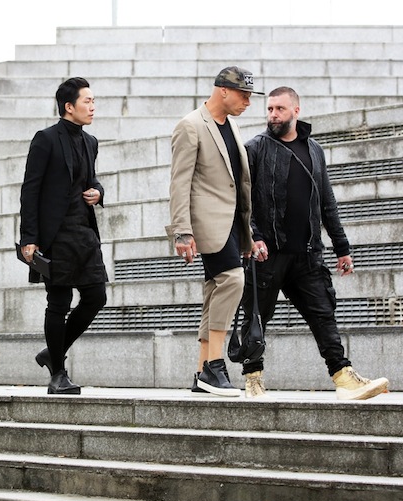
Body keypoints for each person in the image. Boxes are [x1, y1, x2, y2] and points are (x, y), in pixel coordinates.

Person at [239, 86, 389, 400]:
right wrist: (253, 237)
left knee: (323, 315)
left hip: (307, 254)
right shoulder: (255, 148)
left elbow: (327, 202)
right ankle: (253, 379)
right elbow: (242, 200)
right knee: (256, 317)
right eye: (270, 109)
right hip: (266, 255)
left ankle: (343, 377)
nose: (273, 115)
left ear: (296, 110)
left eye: (280, 109)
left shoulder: (314, 149)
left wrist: (342, 248)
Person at [166, 67, 259, 397]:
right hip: (206, 223)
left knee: (214, 290)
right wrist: (182, 231)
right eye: (243, 95)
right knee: (232, 280)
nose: (248, 102)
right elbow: (179, 182)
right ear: (223, 90)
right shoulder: (190, 125)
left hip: (232, 224)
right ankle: (215, 366)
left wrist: (245, 234)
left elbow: (238, 184)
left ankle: (202, 371)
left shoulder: (231, 125)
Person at [19, 77, 107, 395]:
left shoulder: (91, 142)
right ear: (69, 107)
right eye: (87, 101)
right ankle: (58, 373)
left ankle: (51, 352)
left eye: (93, 100)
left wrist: (98, 191)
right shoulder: (45, 139)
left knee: (97, 297)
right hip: (55, 236)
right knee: (59, 303)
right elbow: (30, 190)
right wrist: (29, 238)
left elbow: (91, 180)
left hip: (84, 233)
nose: (93, 106)